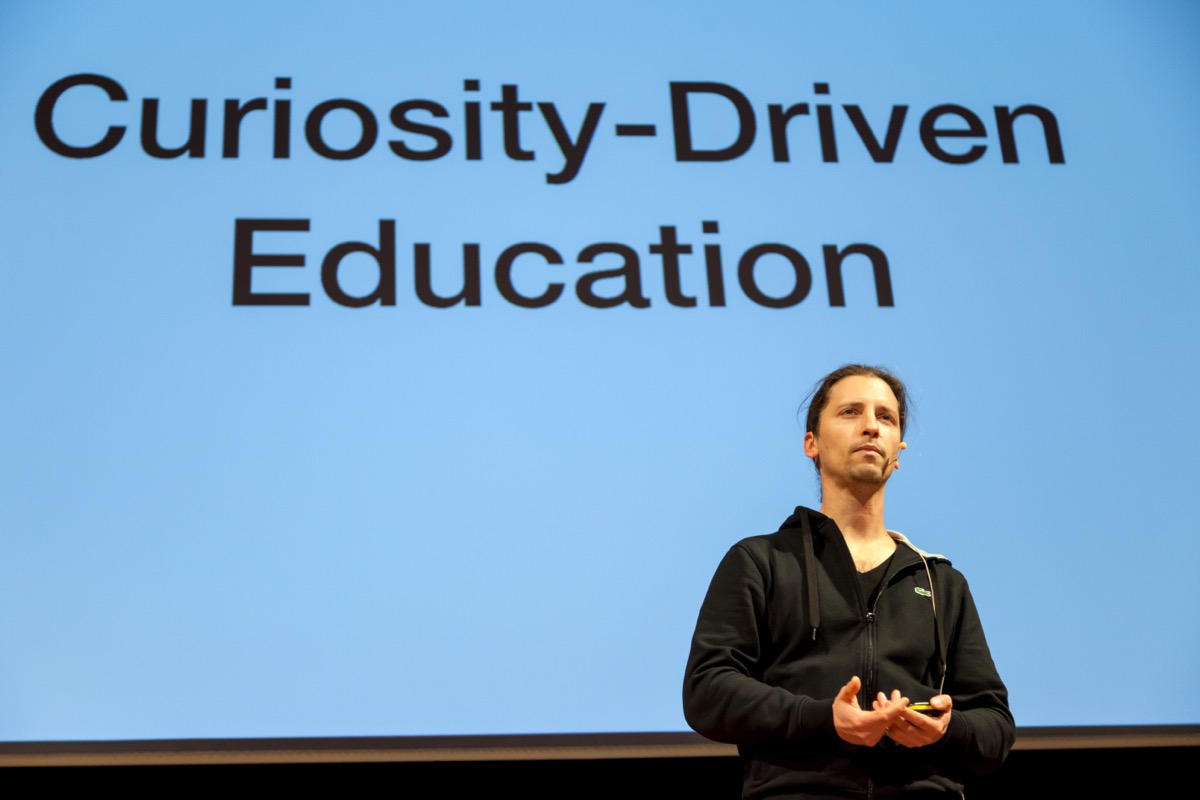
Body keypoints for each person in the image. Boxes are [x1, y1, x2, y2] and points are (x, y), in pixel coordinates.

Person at [683, 364, 1014, 798]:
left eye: (886, 418)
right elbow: (708, 690)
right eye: (850, 412)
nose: (871, 427)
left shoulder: (940, 583)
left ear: (898, 452)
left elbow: (995, 726)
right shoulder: (760, 561)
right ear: (811, 444)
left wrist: (947, 730)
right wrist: (824, 719)